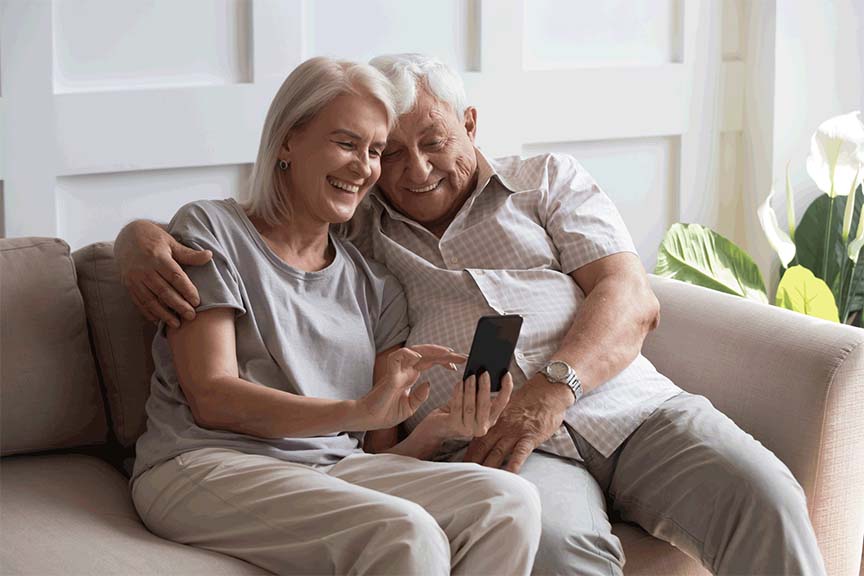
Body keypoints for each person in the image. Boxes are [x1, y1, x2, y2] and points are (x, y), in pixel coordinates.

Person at [118, 54, 827, 576]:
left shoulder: (545, 182)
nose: (410, 171)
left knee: (764, 495)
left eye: (432, 142)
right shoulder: (362, 232)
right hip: (506, 451)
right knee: (549, 542)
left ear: (470, 123)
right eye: (383, 153)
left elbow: (631, 296)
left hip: (629, 409)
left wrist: (552, 389)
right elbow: (252, 228)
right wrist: (134, 240)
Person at [125, 56, 542, 576]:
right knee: (406, 534)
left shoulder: (376, 285)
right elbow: (211, 398)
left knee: (508, 501)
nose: (364, 167)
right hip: (204, 464)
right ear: (286, 142)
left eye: (374, 151)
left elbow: (377, 448)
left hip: (333, 469)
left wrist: (437, 427)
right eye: (346, 144)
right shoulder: (212, 233)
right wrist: (356, 411)